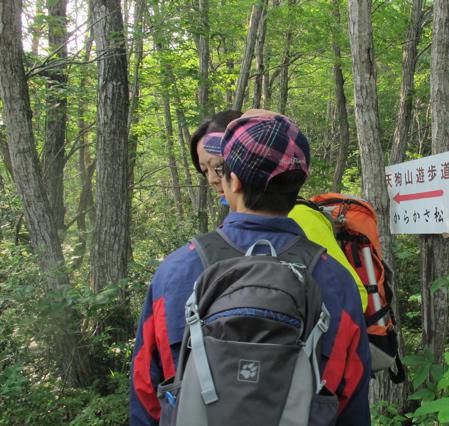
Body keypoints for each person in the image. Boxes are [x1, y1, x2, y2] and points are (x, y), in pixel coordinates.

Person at [130, 110, 371, 425]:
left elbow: (146, 392)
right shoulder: (335, 280)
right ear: (298, 182)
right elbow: (350, 401)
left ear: (235, 180)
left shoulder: (175, 271)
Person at [191, 108, 368, 312]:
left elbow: (354, 295)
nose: (213, 179)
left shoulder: (299, 216)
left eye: (220, 167)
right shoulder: (228, 233)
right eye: (205, 170)